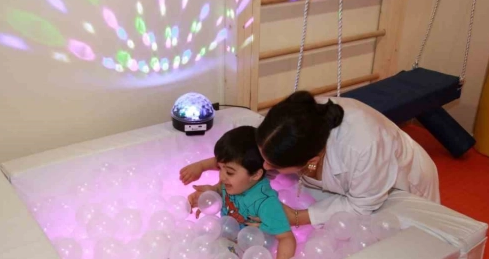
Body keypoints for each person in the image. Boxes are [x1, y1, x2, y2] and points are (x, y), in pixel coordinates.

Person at [181, 91, 440, 228]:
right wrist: (218, 187)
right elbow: (248, 161)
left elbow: (361, 206)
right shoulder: (286, 128)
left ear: (310, 159)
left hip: (399, 184)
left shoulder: (365, 147)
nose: (265, 167)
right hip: (339, 178)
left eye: (274, 165)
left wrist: (296, 217)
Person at [186, 126, 296, 259]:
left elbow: (287, 238)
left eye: (229, 172)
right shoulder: (232, 183)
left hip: (249, 252)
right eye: (220, 168)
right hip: (226, 235)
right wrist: (211, 192)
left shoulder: (265, 202)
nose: (222, 176)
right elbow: (221, 190)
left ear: (255, 174)